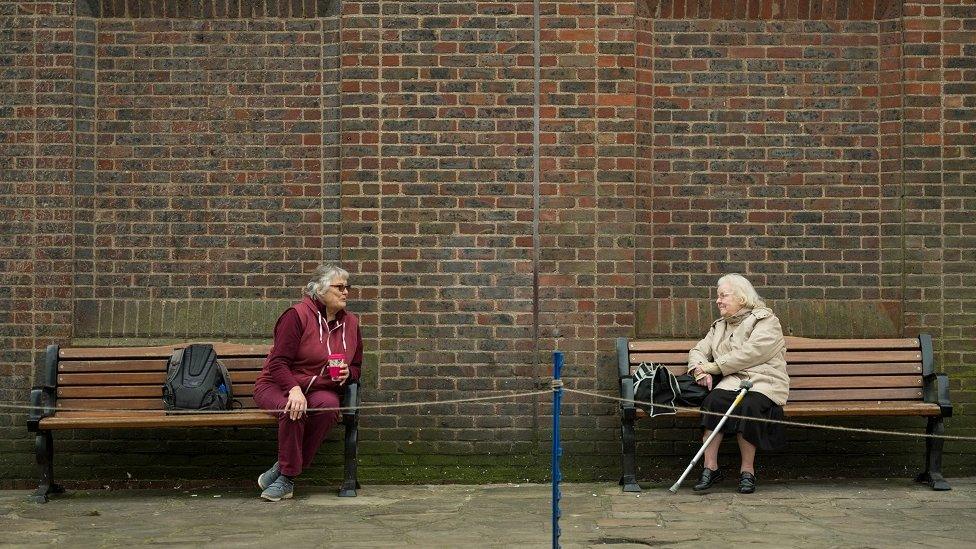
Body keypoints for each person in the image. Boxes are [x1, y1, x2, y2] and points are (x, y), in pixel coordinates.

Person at [253, 264, 362, 501]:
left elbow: (357, 367)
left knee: (328, 408)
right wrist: (293, 389)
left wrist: (347, 374)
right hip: (278, 384)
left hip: (320, 387)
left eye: (348, 287)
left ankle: (281, 469)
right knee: (294, 409)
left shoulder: (351, 324)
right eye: (339, 287)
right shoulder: (296, 316)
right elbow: (278, 363)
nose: (346, 292)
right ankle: (287, 479)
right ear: (320, 290)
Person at [687, 274, 788, 494]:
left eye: (724, 295)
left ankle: (747, 471)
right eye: (717, 296)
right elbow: (698, 351)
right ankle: (710, 468)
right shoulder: (719, 326)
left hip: (763, 382)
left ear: (741, 298)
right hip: (732, 381)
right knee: (713, 401)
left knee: (748, 406)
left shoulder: (765, 320)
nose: (718, 301)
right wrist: (697, 370)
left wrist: (712, 368)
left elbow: (751, 353)